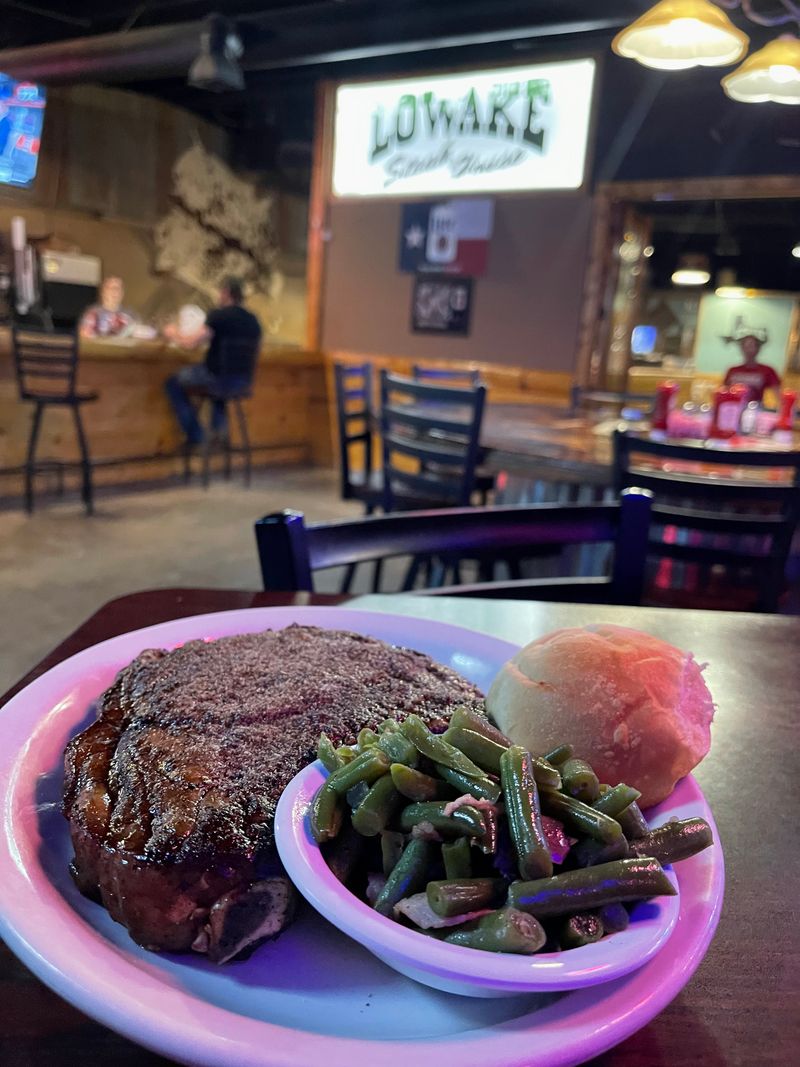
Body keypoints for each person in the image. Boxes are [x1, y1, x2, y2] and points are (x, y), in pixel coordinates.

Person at [164, 277, 262, 446]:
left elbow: (190, 343)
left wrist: (172, 332)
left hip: (215, 378)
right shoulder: (254, 321)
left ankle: (197, 435)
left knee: (172, 383)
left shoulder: (219, 316)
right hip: (242, 382)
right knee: (220, 391)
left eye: (220, 292)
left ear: (226, 293)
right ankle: (219, 433)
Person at [723, 331, 781, 404]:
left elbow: (779, 395)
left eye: (751, 346)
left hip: (755, 409)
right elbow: (723, 393)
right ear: (742, 349)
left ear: (758, 349)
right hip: (733, 407)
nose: (748, 350)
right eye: (745, 346)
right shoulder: (732, 370)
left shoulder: (767, 370)